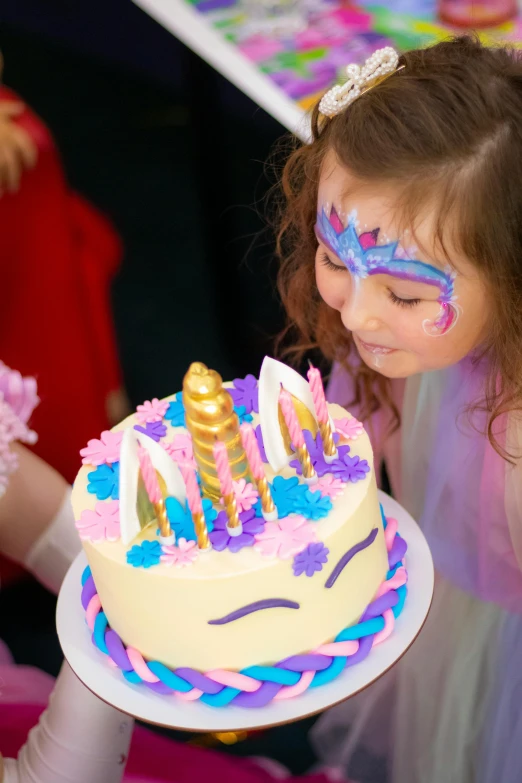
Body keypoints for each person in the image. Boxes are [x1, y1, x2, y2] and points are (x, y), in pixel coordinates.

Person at [276, 36, 522, 783]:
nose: (358, 316)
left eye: (408, 295)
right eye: (331, 257)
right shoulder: (401, 348)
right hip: (436, 598)